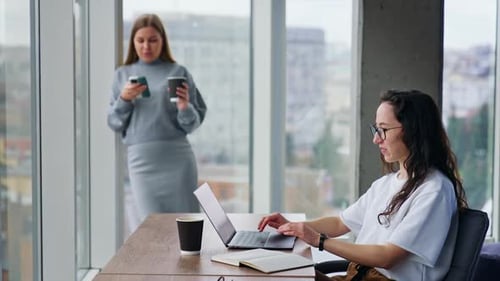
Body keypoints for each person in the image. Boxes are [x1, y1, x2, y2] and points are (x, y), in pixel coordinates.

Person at [258, 90, 468, 281]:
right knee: (274, 274)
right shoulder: (386, 184)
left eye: (384, 130)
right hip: (357, 276)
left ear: (414, 131)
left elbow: (387, 257)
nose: (376, 139)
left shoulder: (434, 190)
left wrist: (319, 241)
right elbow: (340, 223)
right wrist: (293, 227)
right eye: (376, 129)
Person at [107, 14, 207, 222]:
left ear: (162, 41)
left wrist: (183, 106)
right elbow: (114, 122)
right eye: (140, 40)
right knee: (148, 227)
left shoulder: (178, 71)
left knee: (184, 226)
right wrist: (124, 99)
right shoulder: (122, 75)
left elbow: (192, 123)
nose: (146, 46)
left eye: (153, 40)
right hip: (142, 162)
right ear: (133, 42)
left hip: (178, 160)